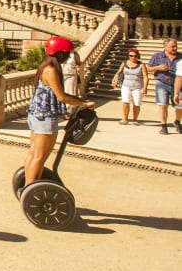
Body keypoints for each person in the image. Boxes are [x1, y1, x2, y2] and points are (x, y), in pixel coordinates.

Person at [23, 36, 96, 186]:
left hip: (37, 115)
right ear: (61, 53)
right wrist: (83, 103)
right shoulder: (51, 70)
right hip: (45, 118)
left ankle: (28, 186)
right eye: (68, 53)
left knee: (34, 154)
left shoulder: (45, 67)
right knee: (39, 157)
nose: (69, 56)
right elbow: (61, 96)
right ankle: (30, 188)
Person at [147, 38, 181, 135]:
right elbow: (148, 68)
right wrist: (158, 67)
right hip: (162, 83)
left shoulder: (180, 56)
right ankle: (164, 126)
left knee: (180, 105)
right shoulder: (157, 56)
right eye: (172, 46)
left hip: (178, 84)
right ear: (165, 46)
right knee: (163, 105)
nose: (175, 48)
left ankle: (177, 121)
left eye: (176, 46)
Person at [112, 48, 149, 125]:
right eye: (131, 56)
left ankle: (135, 119)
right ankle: (125, 119)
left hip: (138, 87)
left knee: (137, 103)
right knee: (125, 101)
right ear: (128, 56)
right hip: (126, 85)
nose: (133, 57)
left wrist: (145, 87)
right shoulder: (124, 63)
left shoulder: (141, 65)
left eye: (135, 56)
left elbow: (145, 77)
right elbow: (119, 72)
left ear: (138, 56)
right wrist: (115, 80)